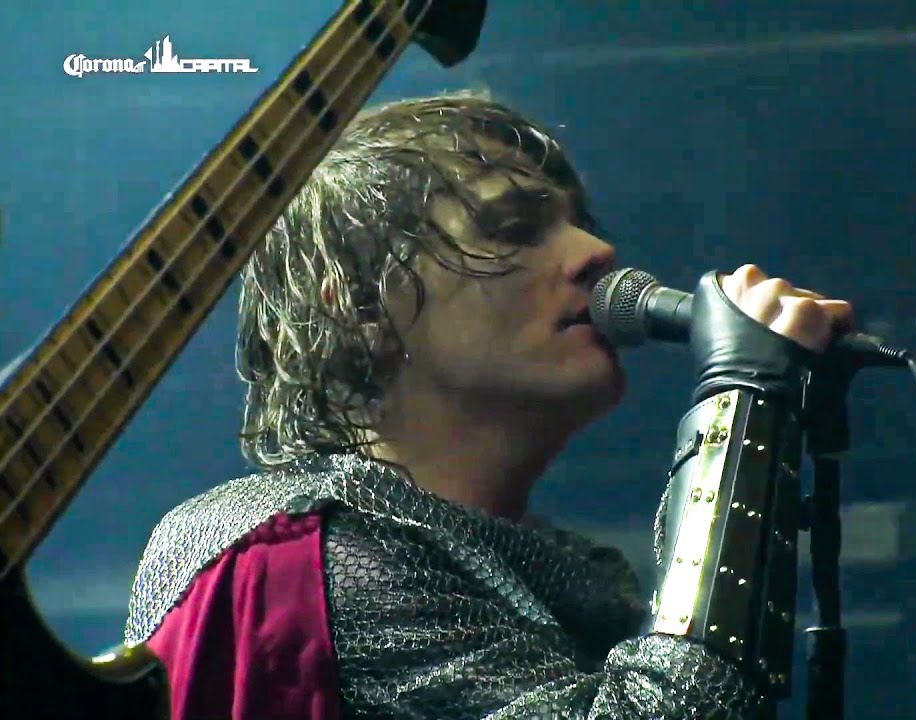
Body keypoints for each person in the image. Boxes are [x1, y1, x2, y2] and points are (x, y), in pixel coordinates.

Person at [124, 93, 853, 719]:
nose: (596, 251)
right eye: (513, 227)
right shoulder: (297, 557)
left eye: (579, 222)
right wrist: (745, 401)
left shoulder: (573, 579)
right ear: (360, 304)